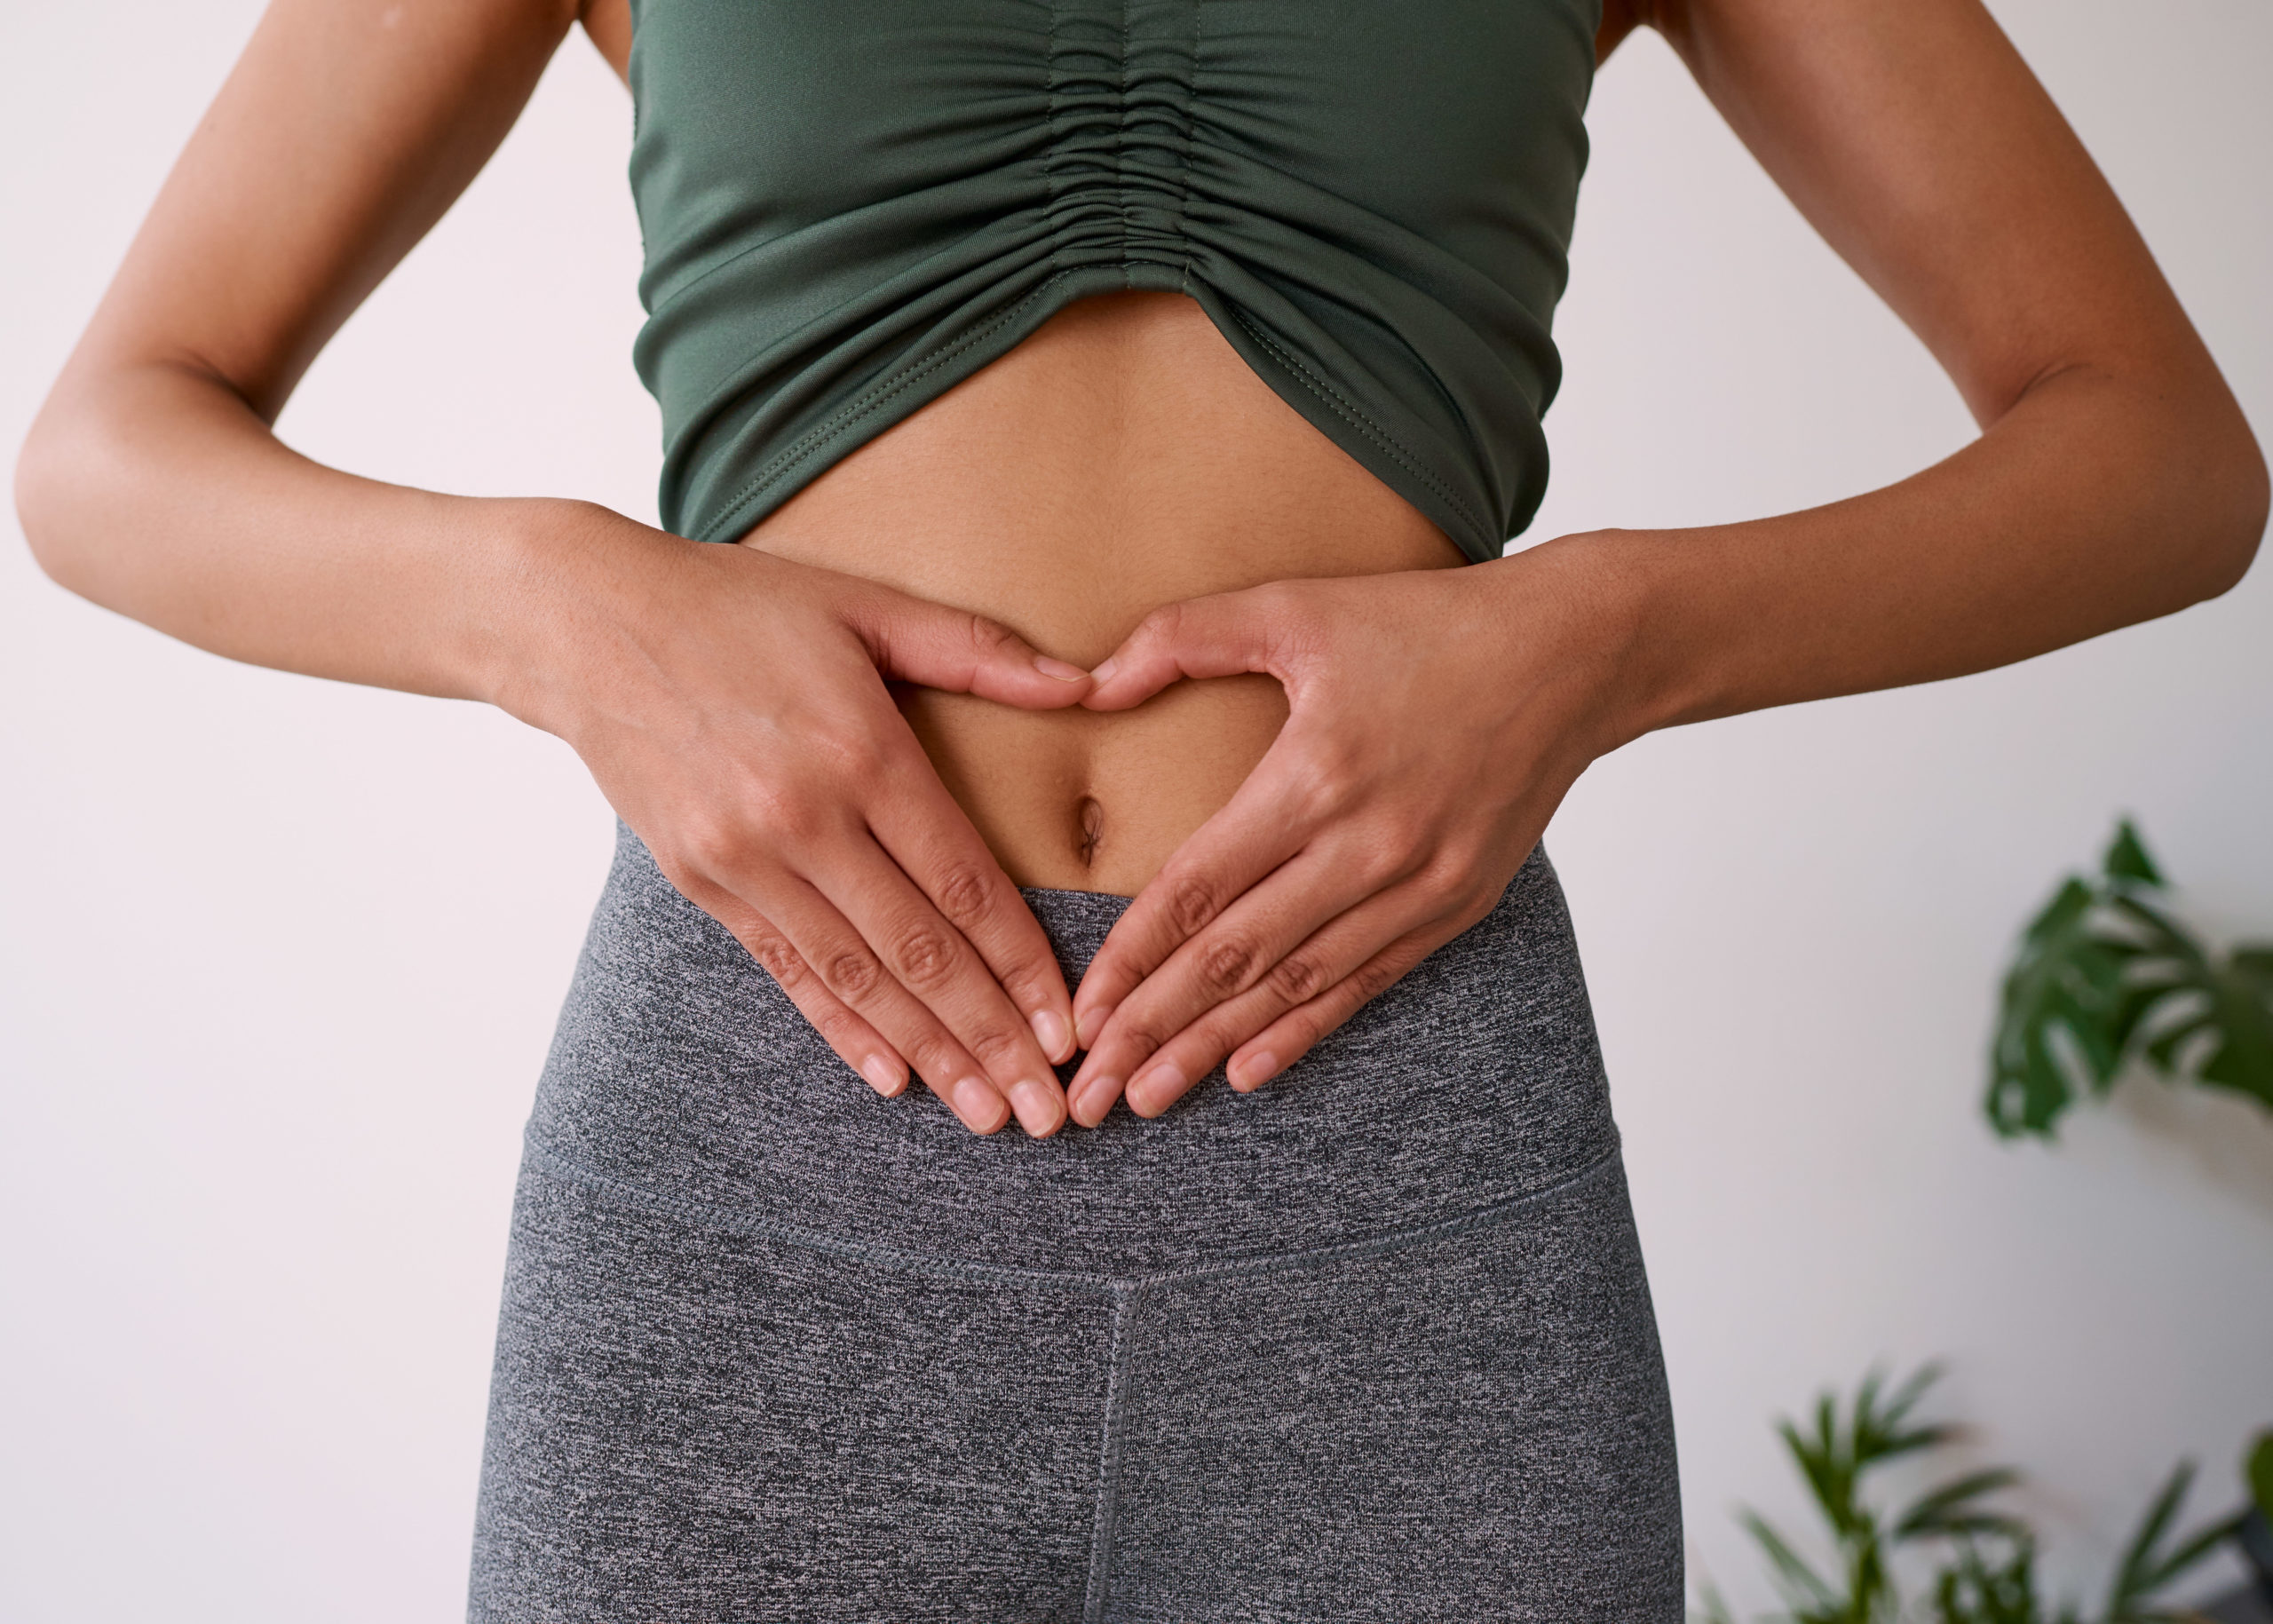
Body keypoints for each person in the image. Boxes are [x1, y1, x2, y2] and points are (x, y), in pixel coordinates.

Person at [16, 0, 2264, 1616]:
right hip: (765, 1168)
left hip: (1396, 1166)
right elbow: (113, 442)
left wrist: (1601, 640)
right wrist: (557, 606)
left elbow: (2151, 454)